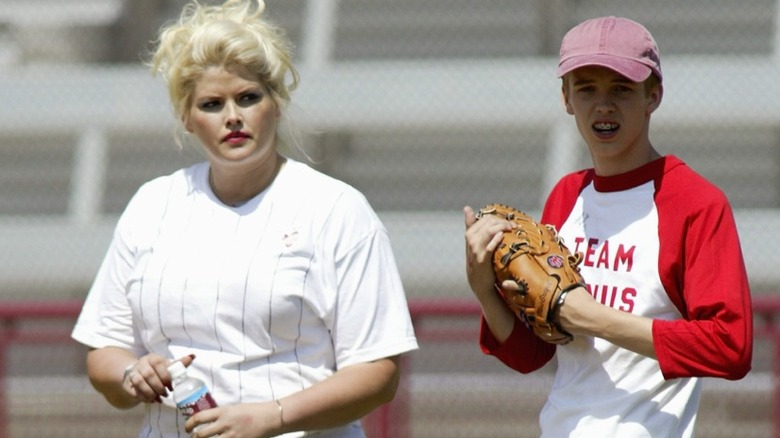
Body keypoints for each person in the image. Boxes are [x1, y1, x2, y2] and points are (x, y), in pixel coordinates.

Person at [71, 1, 418, 437]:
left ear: (276, 103)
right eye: (212, 104)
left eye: (248, 97)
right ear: (188, 119)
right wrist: (130, 375)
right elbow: (105, 349)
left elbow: (378, 372)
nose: (232, 116)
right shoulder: (151, 205)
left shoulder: (337, 209)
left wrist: (272, 416)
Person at [464, 16, 752, 437]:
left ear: (653, 96)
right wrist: (484, 290)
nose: (603, 105)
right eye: (586, 89)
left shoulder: (696, 203)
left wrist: (592, 317)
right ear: (566, 98)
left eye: (621, 88)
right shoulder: (567, 195)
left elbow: (730, 346)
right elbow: (535, 355)